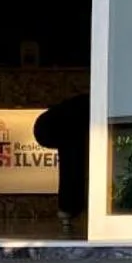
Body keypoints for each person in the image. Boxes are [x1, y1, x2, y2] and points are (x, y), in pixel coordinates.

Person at [34, 94, 89, 236]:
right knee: (72, 160)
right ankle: (69, 207)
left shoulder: (76, 111)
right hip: (56, 125)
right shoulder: (77, 114)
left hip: (53, 125)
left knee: (72, 160)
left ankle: (68, 208)